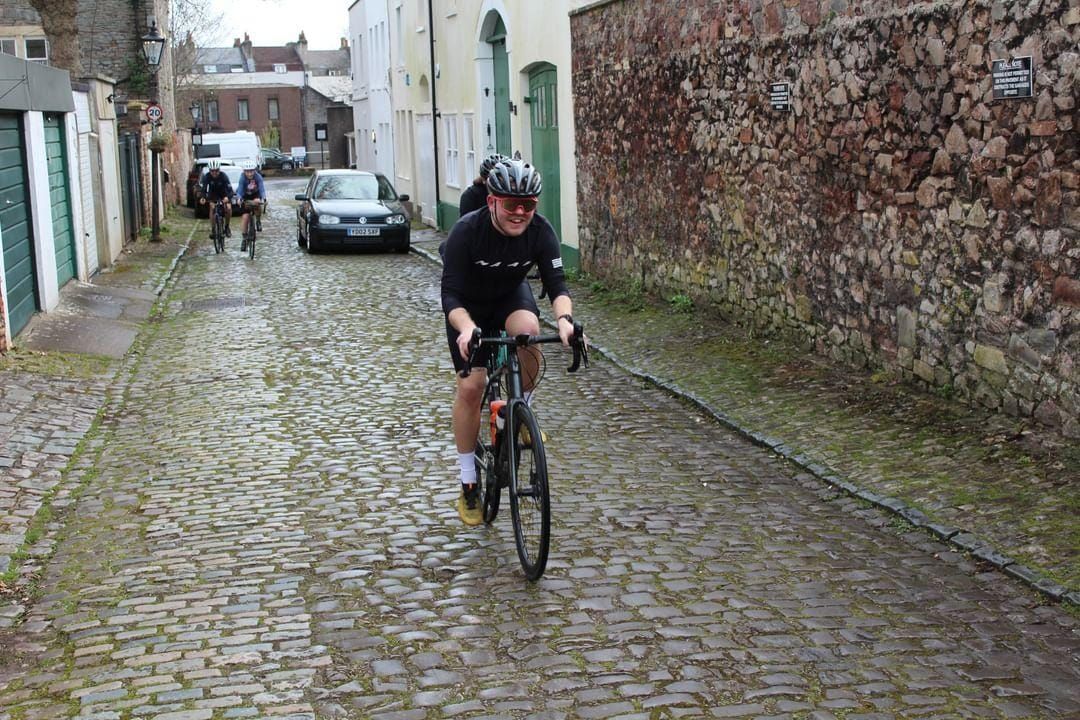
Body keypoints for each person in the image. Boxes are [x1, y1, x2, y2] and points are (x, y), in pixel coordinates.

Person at [441, 158, 577, 526]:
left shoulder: (541, 231)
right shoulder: (466, 233)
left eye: (528, 205)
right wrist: (467, 329)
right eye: (511, 205)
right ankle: (469, 481)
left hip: (508, 296)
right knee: (472, 386)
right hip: (468, 308)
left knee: (529, 329)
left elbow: (557, 286)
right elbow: (450, 296)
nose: (520, 213)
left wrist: (565, 321)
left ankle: (521, 411)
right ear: (492, 202)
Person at [198, 160, 235, 237]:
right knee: (212, 208)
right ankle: (213, 229)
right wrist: (203, 197)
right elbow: (204, 189)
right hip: (213, 195)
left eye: (216, 171)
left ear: (219, 170)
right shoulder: (207, 176)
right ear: (209, 170)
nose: (214, 173)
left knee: (228, 208)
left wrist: (227, 198)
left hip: (223, 194)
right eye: (212, 171)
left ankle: (227, 227)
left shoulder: (224, 176)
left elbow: (230, 190)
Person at [236, 160, 266, 250]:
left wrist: (263, 198)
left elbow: (261, 188)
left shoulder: (258, 177)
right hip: (245, 196)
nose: (249, 174)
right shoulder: (242, 178)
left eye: (251, 171)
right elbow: (240, 189)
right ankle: (244, 238)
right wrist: (239, 198)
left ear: (254, 170)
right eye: (247, 171)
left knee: (257, 203)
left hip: (255, 194)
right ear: (244, 171)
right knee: (245, 217)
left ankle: (258, 220)